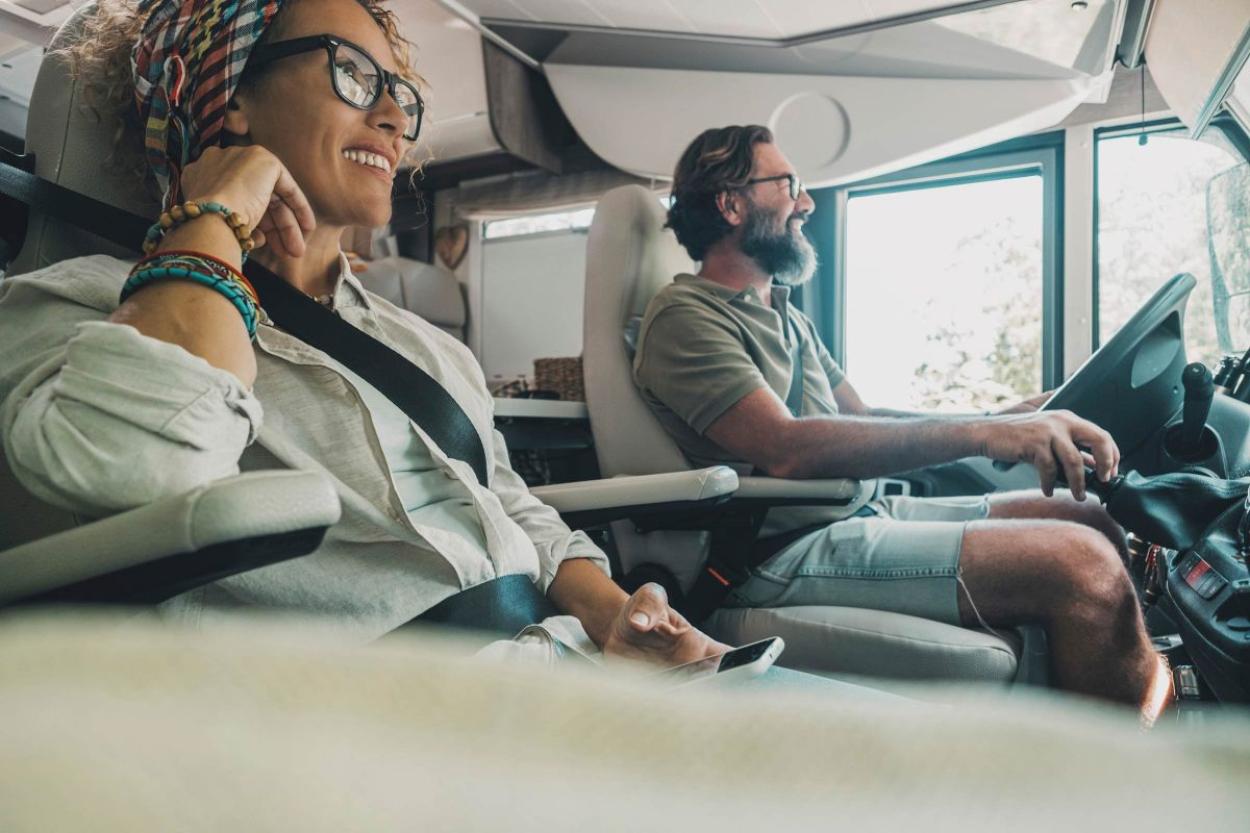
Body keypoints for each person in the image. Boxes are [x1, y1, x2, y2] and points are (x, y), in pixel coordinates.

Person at [0, 0, 756, 679]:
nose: (396, 117)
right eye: (354, 74)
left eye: (401, 94)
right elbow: (139, 463)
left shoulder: (429, 348)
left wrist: (614, 612)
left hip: (569, 664)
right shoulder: (77, 303)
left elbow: (508, 502)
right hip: (400, 723)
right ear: (231, 97)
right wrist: (218, 209)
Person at [633, 125, 1174, 722]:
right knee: (1082, 566)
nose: (806, 203)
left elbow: (858, 418)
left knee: (1089, 516)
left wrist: (998, 417)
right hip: (772, 550)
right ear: (731, 204)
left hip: (858, 512)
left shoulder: (782, 313)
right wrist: (985, 435)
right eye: (790, 185)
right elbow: (785, 447)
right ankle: (1121, 791)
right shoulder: (684, 316)